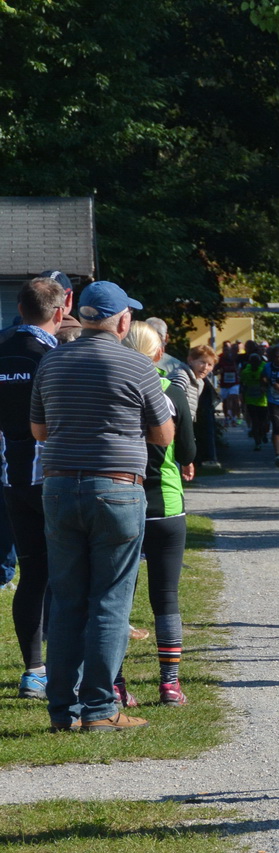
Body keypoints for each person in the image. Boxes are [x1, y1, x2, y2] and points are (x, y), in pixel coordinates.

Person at [31, 281, 175, 731]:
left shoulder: (51, 361)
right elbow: (165, 436)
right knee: (110, 600)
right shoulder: (137, 365)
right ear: (123, 321)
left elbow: (38, 432)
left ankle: (61, 712)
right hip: (116, 488)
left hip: (57, 488)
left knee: (67, 598)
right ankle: (98, 709)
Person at [0, 277, 69, 699]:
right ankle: (62, 667)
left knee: (31, 573)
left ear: (21, 308)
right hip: (51, 478)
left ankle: (34, 671)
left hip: (9, 480)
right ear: (59, 313)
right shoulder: (54, 356)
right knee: (65, 573)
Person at [122, 323, 197, 705]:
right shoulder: (171, 390)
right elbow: (187, 451)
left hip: (122, 499)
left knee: (117, 597)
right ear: (158, 353)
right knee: (165, 597)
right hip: (166, 503)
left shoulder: (114, 386)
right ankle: (169, 684)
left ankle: (116, 684)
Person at [186, 344, 223, 470]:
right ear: (191, 360)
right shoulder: (183, 377)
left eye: (210, 365)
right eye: (202, 362)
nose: (205, 368)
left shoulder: (200, 381)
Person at [239, 342, 270, 450]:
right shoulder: (245, 371)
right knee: (255, 422)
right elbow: (242, 385)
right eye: (252, 362)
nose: (254, 364)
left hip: (263, 401)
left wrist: (264, 385)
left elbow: (268, 382)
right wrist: (242, 400)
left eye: (256, 362)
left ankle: (264, 433)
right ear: (250, 362)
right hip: (251, 400)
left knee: (264, 421)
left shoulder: (264, 368)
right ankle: (257, 442)